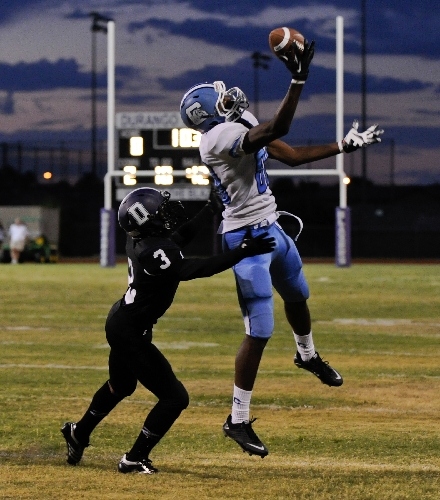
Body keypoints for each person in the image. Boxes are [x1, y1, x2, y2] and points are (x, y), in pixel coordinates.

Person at [179, 36, 384, 457]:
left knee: (298, 295)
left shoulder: (238, 122)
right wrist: (298, 79)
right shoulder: (214, 139)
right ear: (207, 112)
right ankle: (237, 419)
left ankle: (307, 355)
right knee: (259, 331)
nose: (228, 97)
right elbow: (279, 129)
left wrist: (343, 146)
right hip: (246, 238)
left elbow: (289, 154)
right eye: (219, 98)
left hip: (271, 225)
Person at [61, 187, 275, 474]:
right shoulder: (152, 250)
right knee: (175, 398)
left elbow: (178, 239)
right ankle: (134, 458)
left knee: (121, 386)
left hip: (124, 323)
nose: (166, 213)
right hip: (130, 331)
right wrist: (241, 252)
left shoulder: (146, 240)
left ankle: (78, 432)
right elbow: (192, 269)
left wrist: (209, 210)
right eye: (159, 212)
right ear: (146, 221)